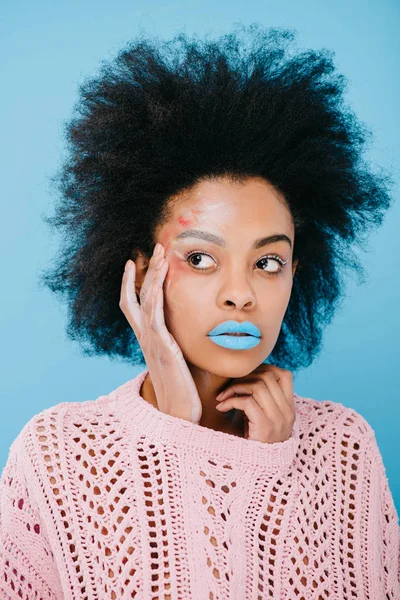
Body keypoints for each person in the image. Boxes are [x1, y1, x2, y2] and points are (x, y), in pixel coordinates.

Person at [1, 23, 399, 599]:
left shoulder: (342, 447)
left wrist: (271, 471)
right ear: (140, 271)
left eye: (268, 263)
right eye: (202, 258)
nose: (241, 294)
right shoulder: (56, 454)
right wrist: (174, 434)